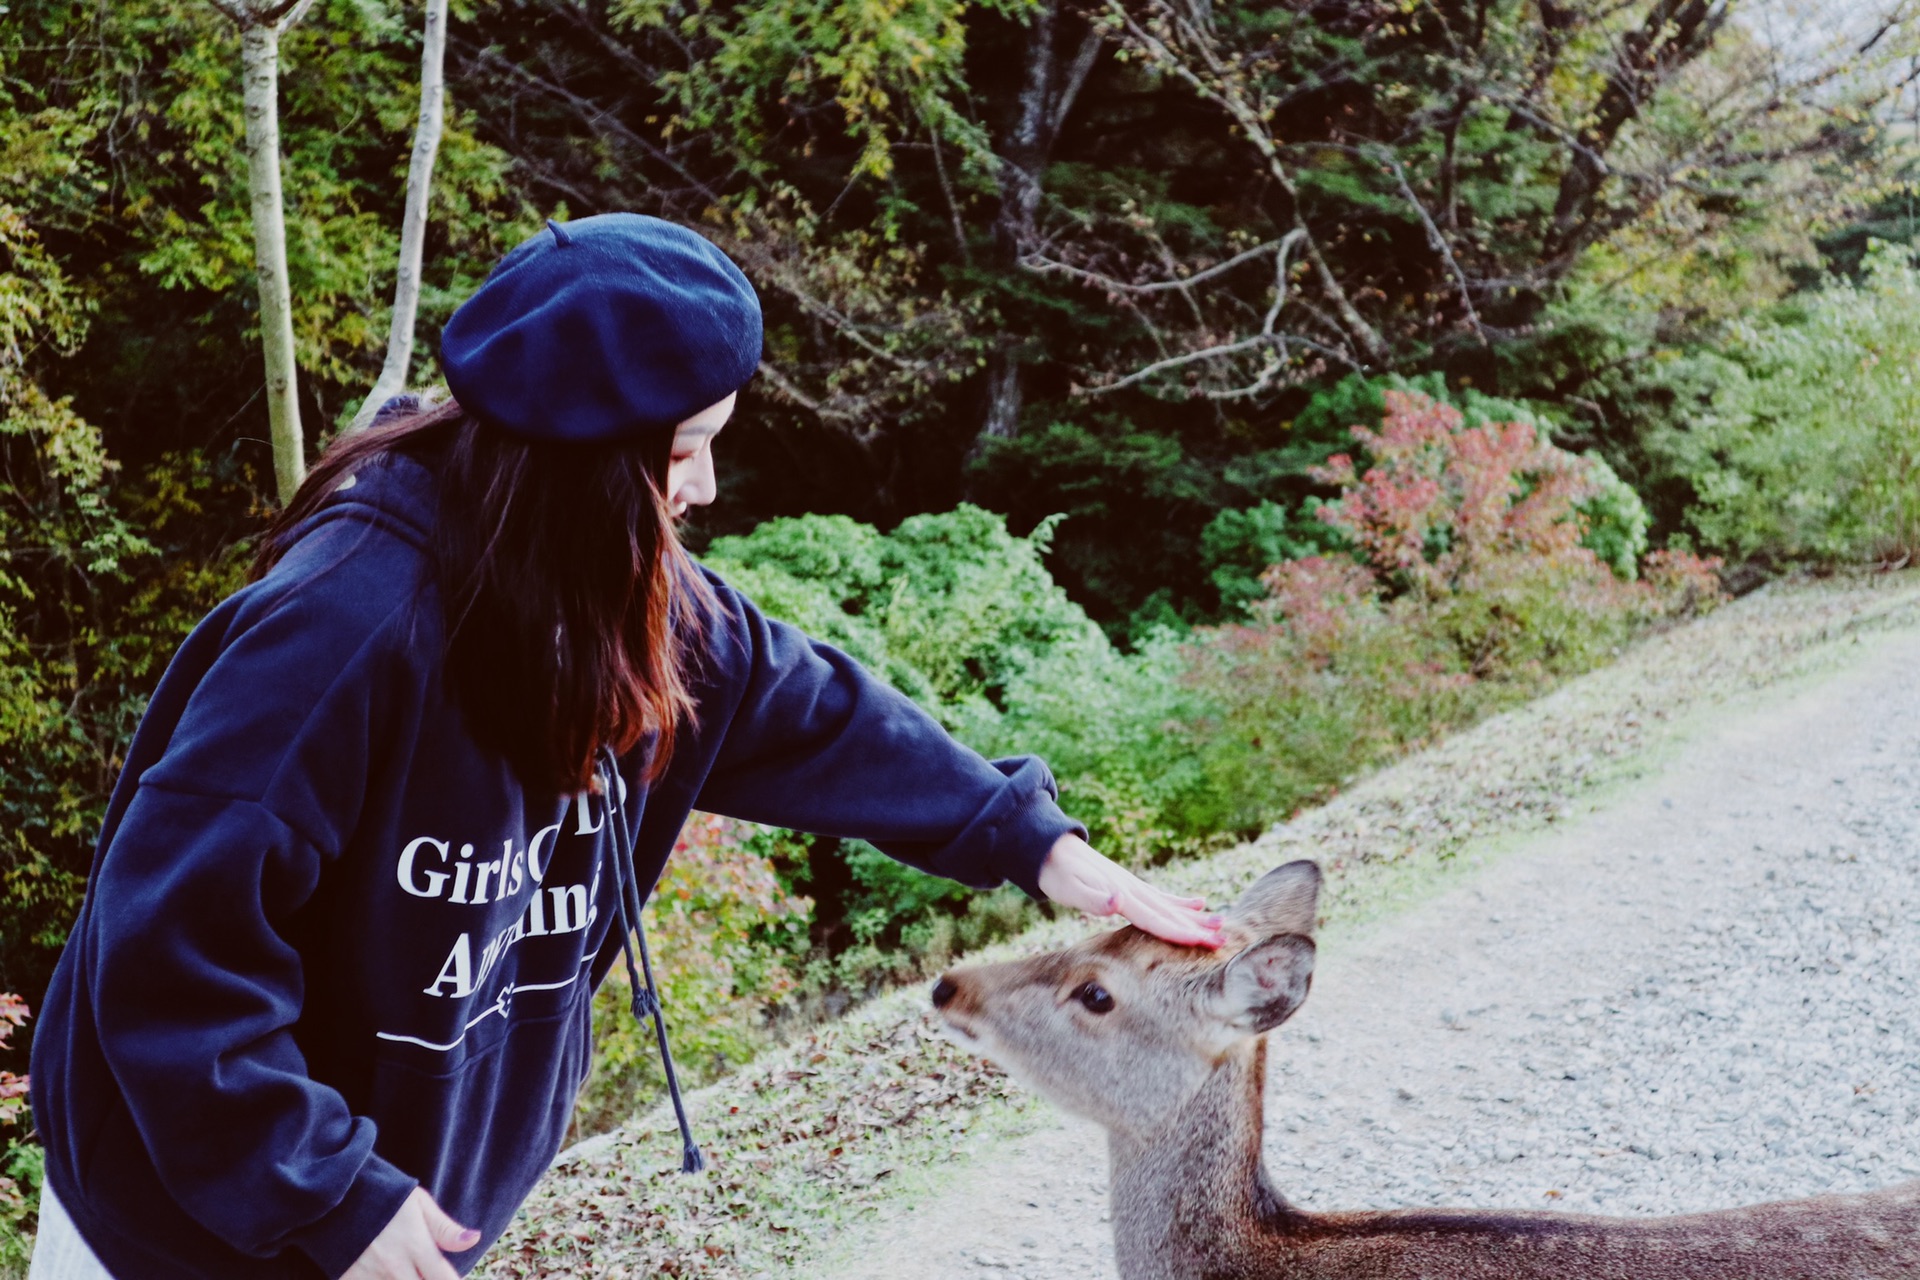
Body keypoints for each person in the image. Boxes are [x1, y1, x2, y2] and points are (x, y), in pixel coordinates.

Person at [26, 213, 1222, 1280]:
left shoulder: (596, 582)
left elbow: (799, 701)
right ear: (582, 462)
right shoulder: (339, 631)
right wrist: (329, 1184)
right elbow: (165, 953)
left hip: (381, 1205)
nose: (703, 483)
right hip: (183, 1220)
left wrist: (1035, 842)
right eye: (684, 446)